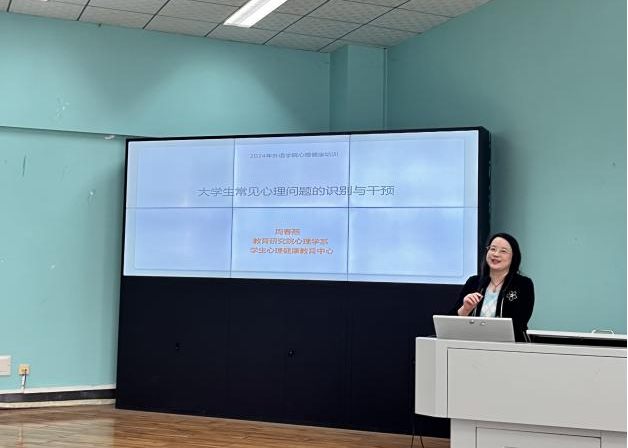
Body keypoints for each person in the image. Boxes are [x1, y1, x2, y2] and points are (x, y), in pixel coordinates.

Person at [452, 232, 534, 342]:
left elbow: (520, 322)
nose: (496, 254)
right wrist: (465, 309)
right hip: (473, 344)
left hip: (510, 346)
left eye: (503, 251)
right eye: (493, 249)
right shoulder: (474, 282)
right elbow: (449, 322)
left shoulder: (523, 284)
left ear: (513, 257)